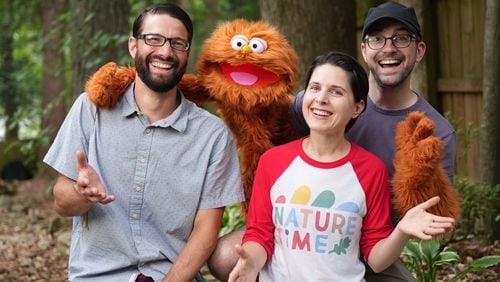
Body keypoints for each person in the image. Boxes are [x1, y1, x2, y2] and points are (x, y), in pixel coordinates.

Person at [43, 3, 244, 281]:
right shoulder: (91, 108)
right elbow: (61, 202)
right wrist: (82, 194)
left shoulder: (212, 135)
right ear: (133, 46)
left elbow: (206, 231)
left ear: (187, 52)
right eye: (153, 39)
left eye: (177, 43)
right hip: (98, 275)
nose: (165, 51)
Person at [228, 51, 454, 282]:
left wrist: (402, 231)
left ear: (357, 107)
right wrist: (252, 262)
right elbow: (260, 233)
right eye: (315, 88)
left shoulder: (371, 169)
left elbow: (376, 258)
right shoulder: (273, 161)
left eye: (336, 92)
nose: (321, 99)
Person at [291, 2, 457, 280]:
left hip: (370, 247)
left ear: (419, 51)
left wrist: (416, 180)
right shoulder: (319, 104)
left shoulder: (435, 132)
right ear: (365, 49)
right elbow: (269, 127)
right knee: (228, 254)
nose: (388, 47)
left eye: (401, 38)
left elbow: (435, 215)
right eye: (377, 38)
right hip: (303, 230)